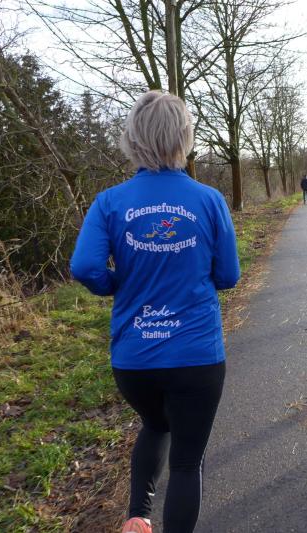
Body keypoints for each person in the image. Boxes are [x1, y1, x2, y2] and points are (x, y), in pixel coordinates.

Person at [70, 91, 240, 533]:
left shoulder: (109, 202)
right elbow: (228, 276)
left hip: (134, 359)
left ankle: (137, 516)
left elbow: (85, 267)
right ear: (185, 137)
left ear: (133, 138)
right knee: (186, 462)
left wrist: (115, 284)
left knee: (155, 424)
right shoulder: (209, 200)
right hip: (197, 356)